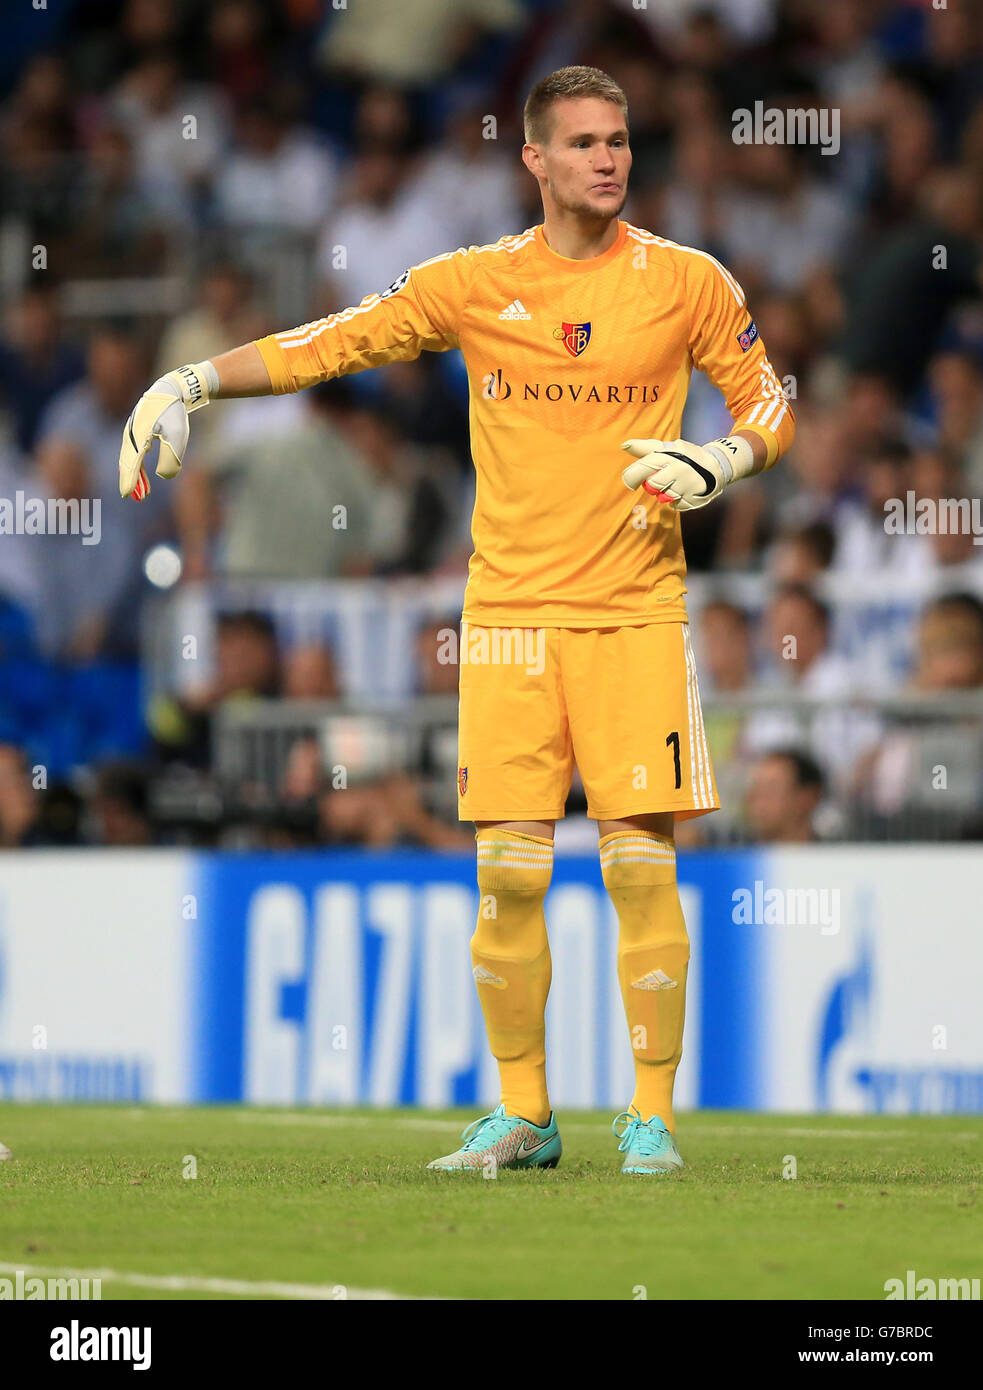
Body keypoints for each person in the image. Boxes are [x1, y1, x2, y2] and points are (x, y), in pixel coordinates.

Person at [119, 66, 794, 1176]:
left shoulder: (686, 283)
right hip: (508, 622)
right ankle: (523, 1114)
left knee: (637, 868)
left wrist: (721, 457)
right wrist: (192, 380)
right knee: (511, 875)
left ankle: (651, 1119)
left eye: (618, 139)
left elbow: (768, 400)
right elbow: (330, 343)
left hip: (631, 612)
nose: (608, 159)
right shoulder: (473, 284)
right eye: (581, 143)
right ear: (533, 159)